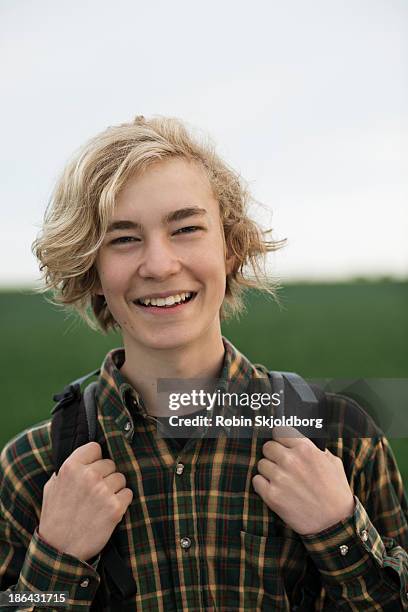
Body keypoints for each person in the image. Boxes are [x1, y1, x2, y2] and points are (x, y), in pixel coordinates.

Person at [0, 115, 407, 611]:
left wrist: (338, 531)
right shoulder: (34, 468)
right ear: (91, 265)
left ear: (230, 247)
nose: (160, 264)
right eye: (123, 238)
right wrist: (58, 557)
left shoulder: (341, 437)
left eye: (187, 228)